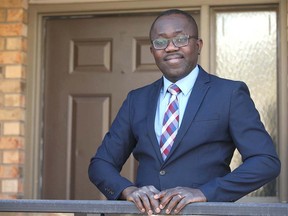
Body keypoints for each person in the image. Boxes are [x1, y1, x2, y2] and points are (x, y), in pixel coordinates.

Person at [88, 9, 281, 215]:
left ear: (198, 45)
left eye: (180, 39)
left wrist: (205, 193)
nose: (170, 48)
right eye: (161, 42)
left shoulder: (229, 94)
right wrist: (128, 191)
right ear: (153, 51)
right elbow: (101, 164)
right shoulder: (137, 100)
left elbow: (265, 162)